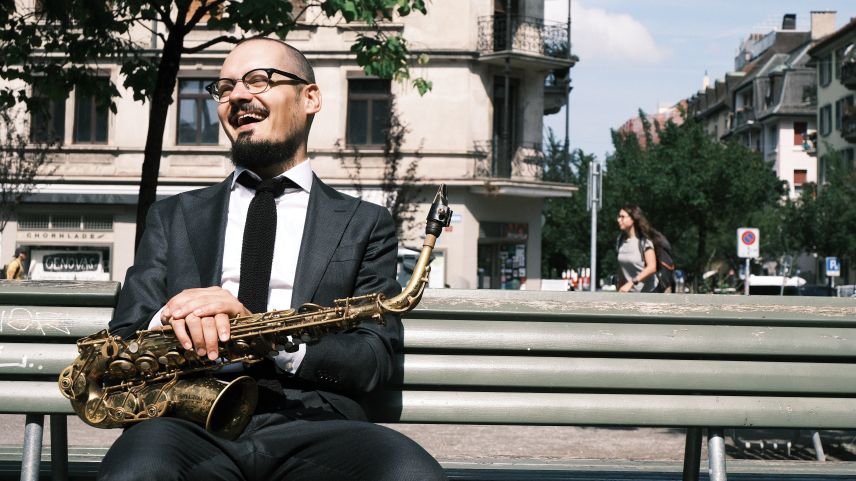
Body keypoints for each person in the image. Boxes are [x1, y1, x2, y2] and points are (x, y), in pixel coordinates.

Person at [98, 38, 446, 481]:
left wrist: (263, 333)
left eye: (259, 80)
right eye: (224, 88)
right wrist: (172, 318)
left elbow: (374, 358)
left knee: (412, 475)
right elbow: (124, 338)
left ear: (310, 98)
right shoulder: (172, 216)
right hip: (185, 425)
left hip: (318, 424)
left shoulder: (365, 224)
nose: (238, 95)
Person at [615, 205, 665, 293]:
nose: (619, 220)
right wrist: (620, 286)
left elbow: (652, 267)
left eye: (622, 217)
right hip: (631, 293)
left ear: (633, 218)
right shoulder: (620, 240)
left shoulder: (644, 241)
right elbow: (622, 267)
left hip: (650, 292)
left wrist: (631, 283)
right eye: (619, 217)